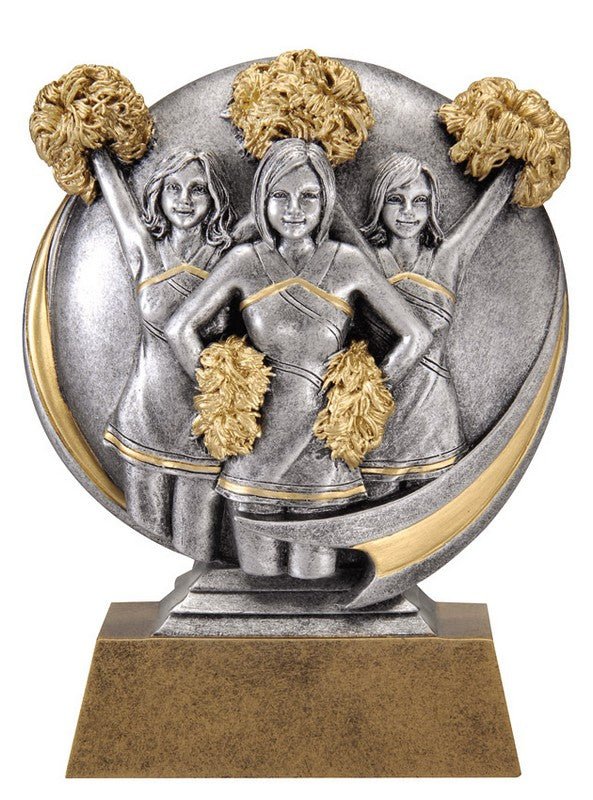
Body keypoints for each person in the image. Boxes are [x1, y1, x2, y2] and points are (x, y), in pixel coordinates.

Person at [166, 138, 432, 579]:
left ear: (326, 201)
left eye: (308, 196)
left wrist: (361, 395)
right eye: (281, 195)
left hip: (324, 443)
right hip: (255, 440)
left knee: (317, 575)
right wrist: (224, 391)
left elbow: (415, 335)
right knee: (259, 578)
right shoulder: (244, 261)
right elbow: (180, 329)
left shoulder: (348, 262)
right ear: (262, 198)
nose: (294, 209)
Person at [92, 148, 236, 558]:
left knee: (199, 547)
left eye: (198, 189)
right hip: (145, 416)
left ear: (214, 198)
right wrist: (94, 144)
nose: (184, 200)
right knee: (146, 546)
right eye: (174, 188)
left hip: (205, 424)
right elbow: (117, 200)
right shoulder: (146, 251)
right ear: (158, 194)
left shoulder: (228, 258)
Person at [359, 152, 518, 497]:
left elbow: (489, 205)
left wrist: (525, 149)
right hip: (377, 418)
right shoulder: (365, 259)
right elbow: (329, 208)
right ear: (378, 202)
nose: (408, 212)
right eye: (396, 199)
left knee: (438, 509)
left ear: (431, 207)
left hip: (436, 421)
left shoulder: (448, 258)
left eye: (420, 201)